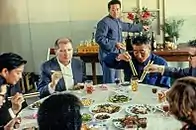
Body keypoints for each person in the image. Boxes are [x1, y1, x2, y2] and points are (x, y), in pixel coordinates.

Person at [95, 0, 149, 83]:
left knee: (117, 80)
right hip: (108, 56)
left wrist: (141, 27)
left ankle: (116, 95)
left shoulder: (117, 21)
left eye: (117, 9)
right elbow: (99, 38)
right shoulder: (104, 22)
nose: (115, 12)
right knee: (110, 81)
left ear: (120, 9)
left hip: (118, 55)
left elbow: (128, 27)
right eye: (113, 9)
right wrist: (115, 44)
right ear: (109, 10)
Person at [104, 35, 170, 88]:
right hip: (130, 92)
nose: (139, 56)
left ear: (149, 49)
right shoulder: (129, 58)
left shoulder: (160, 63)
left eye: (142, 51)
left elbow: (165, 86)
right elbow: (107, 61)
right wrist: (118, 57)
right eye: (135, 51)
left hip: (151, 95)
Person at [0, 52, 26, 128]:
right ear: (5, 71)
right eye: (18, 73)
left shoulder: (13, 83)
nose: (20, 77)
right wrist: (13, 110)